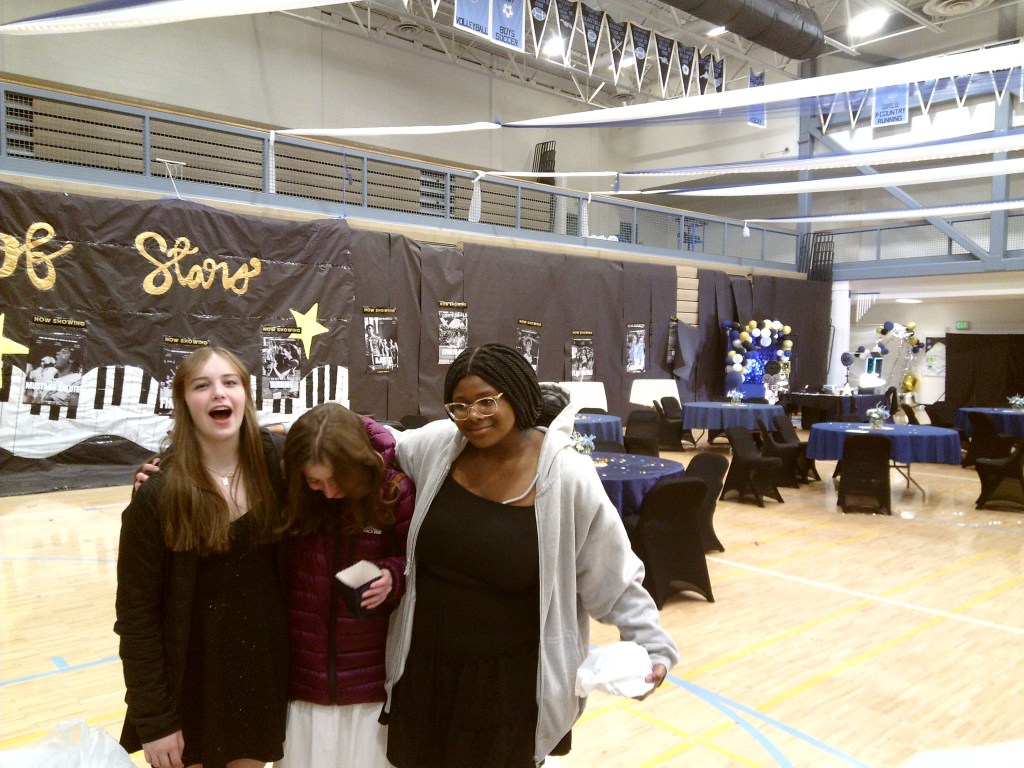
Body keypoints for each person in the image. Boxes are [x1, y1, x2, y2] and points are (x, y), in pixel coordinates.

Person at [381, 342, 679, 768]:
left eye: (486, 401)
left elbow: (613, 574)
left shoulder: (566, 476)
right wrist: (297, 431)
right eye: (459, 406)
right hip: (425, 667)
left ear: (517, 394)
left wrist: (652, 646)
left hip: (510, 685)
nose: (472, 416)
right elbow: (383, 442)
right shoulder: (438, 447)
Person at [115, 346, 289, 768]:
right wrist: (154, 720)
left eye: (230, 382)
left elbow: (346, 434)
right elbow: (136, 618)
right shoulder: (158, 494)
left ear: (245, 395)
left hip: (261, 678)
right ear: (183, 402)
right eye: (202, 386)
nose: (218, 393)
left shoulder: (278, 467)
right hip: (188, 688)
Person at [276, 402, 414, 767]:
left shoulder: (394, 490)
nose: (328, 491)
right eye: (315, 481)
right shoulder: (290, 493)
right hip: (303, 683)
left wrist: (392, 576)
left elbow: (415, 560)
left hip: (371, 683)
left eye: (338, 480)